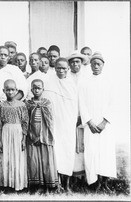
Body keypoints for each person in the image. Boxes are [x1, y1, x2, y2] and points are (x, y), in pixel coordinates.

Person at [78, 52, 116, 193]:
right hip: (91, 125)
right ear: (90, 65)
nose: (96, 66)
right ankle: (94, 182)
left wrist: (104, 122)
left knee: (105, 153)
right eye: (93, 63)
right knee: (92, 153)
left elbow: (113, 103)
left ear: (103, 65)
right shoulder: (84, 83)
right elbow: (82, 103)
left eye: (98, 64)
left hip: (105, 126)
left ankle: (104, 182)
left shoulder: (109, 82)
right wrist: (89, 122)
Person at [43, 58, 78, 192]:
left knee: (67, 151)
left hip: (67, 123)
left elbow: (75, 105)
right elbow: (47, 103)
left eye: (64, 68)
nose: (61, 70)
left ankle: (67, 184)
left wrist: (72, 121)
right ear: (55, 68)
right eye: (58, 68)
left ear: (68, 69)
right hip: (54, 123)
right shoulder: (49, 82)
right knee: (56, 152)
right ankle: (56, 184)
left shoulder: (71, 84)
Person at [25, 79, 58, 193]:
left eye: (39, 88)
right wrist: (33, 134)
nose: (37, 90)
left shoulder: (47, 103)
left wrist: (42, 134)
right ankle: (35, 185)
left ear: (43, 89)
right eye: (35, 88)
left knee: (46, 160)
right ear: (31, 89)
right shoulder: (28, 104)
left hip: (45, 134)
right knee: (33, 160)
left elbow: (50, 120)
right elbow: (26, 120)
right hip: (32, 135)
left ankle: (48, 185)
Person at [0, 79, 28, 191]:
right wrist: (0, 140)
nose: (10, 92)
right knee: (6, 157)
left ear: (16, 91)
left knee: (17, 157)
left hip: (18, 132)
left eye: (12, 90)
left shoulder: (22, 105)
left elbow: (25, 122)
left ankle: (18, 184)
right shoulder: (0, 105)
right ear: (4, 90)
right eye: (8, 90)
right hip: (5, 132)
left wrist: (23, 139)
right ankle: (6, 184)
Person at [66, 51, 89, 191]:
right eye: (73, 62)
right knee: (72, 146)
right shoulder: (67, 77)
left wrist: (83, 115)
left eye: (78, 62)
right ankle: (73, 178)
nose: (75, 64)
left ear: (81, 63)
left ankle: (83, 178)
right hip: (70, 116)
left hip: (83, 115)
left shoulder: (86, 78)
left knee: (83, 146)